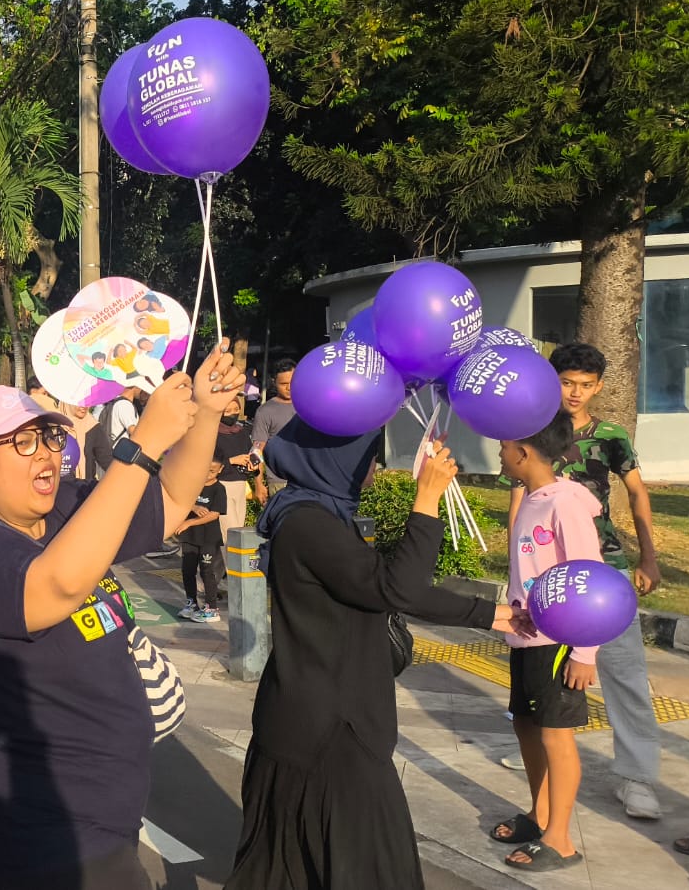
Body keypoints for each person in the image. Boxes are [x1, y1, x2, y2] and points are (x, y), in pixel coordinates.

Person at [0, 345, 238, 890]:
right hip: (41, 827)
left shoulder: (67, 504)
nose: (44, 454)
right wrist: (142, 442)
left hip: (101, 813)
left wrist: (206, 413)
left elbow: (166, 500)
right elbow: (58, 585)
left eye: (48, 437)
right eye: (20, 443)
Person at [225, 419, 524, 890]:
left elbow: (376, 587)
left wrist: (491, 615)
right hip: (330, 728)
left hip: (314, 716)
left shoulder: (314, 513)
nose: (372, 470)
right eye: (366, 460)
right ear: (335, 461)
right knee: (363, 867)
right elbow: (393, 586)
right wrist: (426, 501)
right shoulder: (310, 523)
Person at [502, 343, 666, 820]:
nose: (575, 393)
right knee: (541, 680)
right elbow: (518, 505)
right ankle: (547, 750)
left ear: (599, 387)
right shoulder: (528, 431)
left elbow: (637, 494)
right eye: (567, 382)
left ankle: (637, 776)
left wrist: (649, 558)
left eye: (586, 385)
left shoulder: (611, 435)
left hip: (603, 575)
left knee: (624, 672)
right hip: (543, 584)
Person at [487, 411, 597, 871]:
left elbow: (590, 578)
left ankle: (560, 840)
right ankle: (540, 814)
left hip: (559, 642)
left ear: (524, 452)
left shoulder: (565, 503)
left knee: (556, 735)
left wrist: (585, 652)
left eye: (504, 445)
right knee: (527, 727)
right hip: (527, 640)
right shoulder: (532, 498)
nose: (499, 452)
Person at [173, 456, 226, 623]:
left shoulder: (219, 489)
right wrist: (193, 507)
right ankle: (191, 603)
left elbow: (214, 514)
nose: (208, 474)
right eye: (206, 469)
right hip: (190, 537)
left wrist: (190, 521)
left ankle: (211, 607)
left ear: (220, 469)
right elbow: (180, 500)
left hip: (209, 538)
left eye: (213, 470)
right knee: (187, 570)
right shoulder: (193, 485)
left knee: (206, 571)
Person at [250, 358, 295, 506]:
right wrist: (258, 483)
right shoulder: (265, 411)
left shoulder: (308, 407)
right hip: (279, 481)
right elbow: (257, 450)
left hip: (309, 480)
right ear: (274, 382)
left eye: (292, 382)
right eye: (284, 384)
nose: (289, 388)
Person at [213, 397, 258, 543]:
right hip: (222, 485)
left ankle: (236, 565)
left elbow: (250, 454)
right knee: (230, 532)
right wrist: (232, 461)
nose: (233, 414)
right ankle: (228, 566)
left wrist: (252, 464)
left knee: (239, 530)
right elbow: (208, 464)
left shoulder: (242, 433)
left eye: (236, 410)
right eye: (228, 411)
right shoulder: (213, 434)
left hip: (241, 484)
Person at [90, 386, 142, 479]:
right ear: (134, 385)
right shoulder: (125, 405)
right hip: (121, 463)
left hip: (103, 461)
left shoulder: (104, 405)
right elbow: (136, 434)